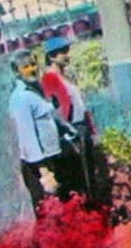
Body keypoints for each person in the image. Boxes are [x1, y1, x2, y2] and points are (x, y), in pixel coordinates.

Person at [41, 35, 109, 211]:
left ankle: (93, 209)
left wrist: (91, 131)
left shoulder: (64, 76)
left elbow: (80, 106)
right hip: (71, 132)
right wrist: (66, 133)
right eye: (63, 52)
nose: (67, 55)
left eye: (67, 51)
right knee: (80, 177)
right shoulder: (49, 79)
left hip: (81, 128)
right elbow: (53, 111)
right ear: (52, 56)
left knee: (90, 174)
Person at [8, 50, 80, 213]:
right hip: (38, 166)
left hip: (52, 158)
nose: (32, 70)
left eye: (33, 65)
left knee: (64, 206)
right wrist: (44, 172)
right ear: (17, 72)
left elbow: (52, 117)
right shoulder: (21, 98)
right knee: (47, 211)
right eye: (25, 67)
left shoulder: (36, 90)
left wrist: (70, 133)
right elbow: (27, 137)